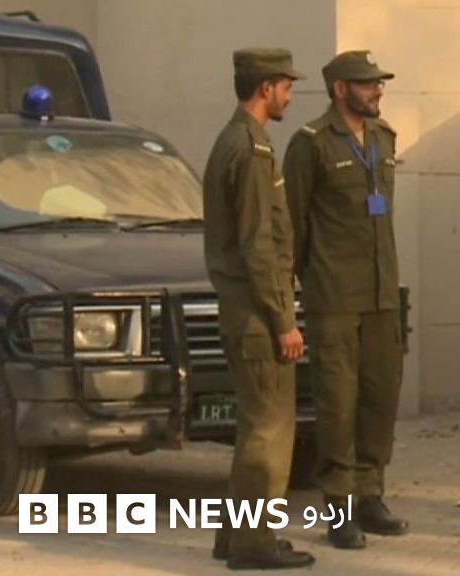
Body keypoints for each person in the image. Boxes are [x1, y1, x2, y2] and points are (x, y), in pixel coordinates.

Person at [283, 50, 407, 550]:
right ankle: (338, 507)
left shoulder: (383, 138)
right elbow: (293, 227)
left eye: (379, 83)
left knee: (380, 399)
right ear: (340, 90)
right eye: (367, 84)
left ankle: (370, 494)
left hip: (381, 295)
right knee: (338, 405)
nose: (377, 91)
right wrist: (289, 298)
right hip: (334, 297)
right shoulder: (310, 143)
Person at [202, 47, 314, 571]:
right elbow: (257, 245)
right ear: (266, 88)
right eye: (286, 86)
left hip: (246, 309)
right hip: (256, 315)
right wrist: (283, 321)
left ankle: (236, 536)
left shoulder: (239, 140)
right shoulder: (250, 149)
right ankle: (254, 545)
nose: (290, 95)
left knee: (255, 428)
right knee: (268, 431)